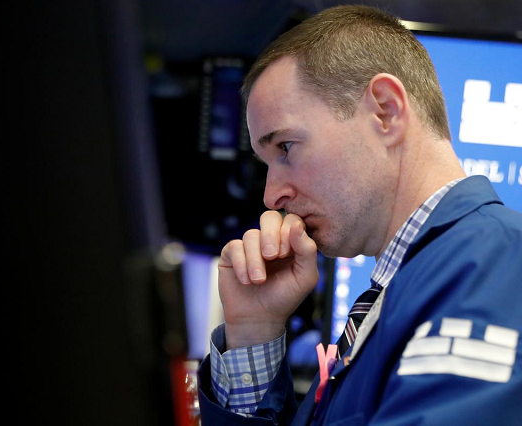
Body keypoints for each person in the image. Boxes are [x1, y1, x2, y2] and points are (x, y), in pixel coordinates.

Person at [198, 5, 522, 425]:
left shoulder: (496, 264)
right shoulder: (410, 285)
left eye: (286, 148)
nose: (271, 195)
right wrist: (254, 333)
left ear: (385, 111)